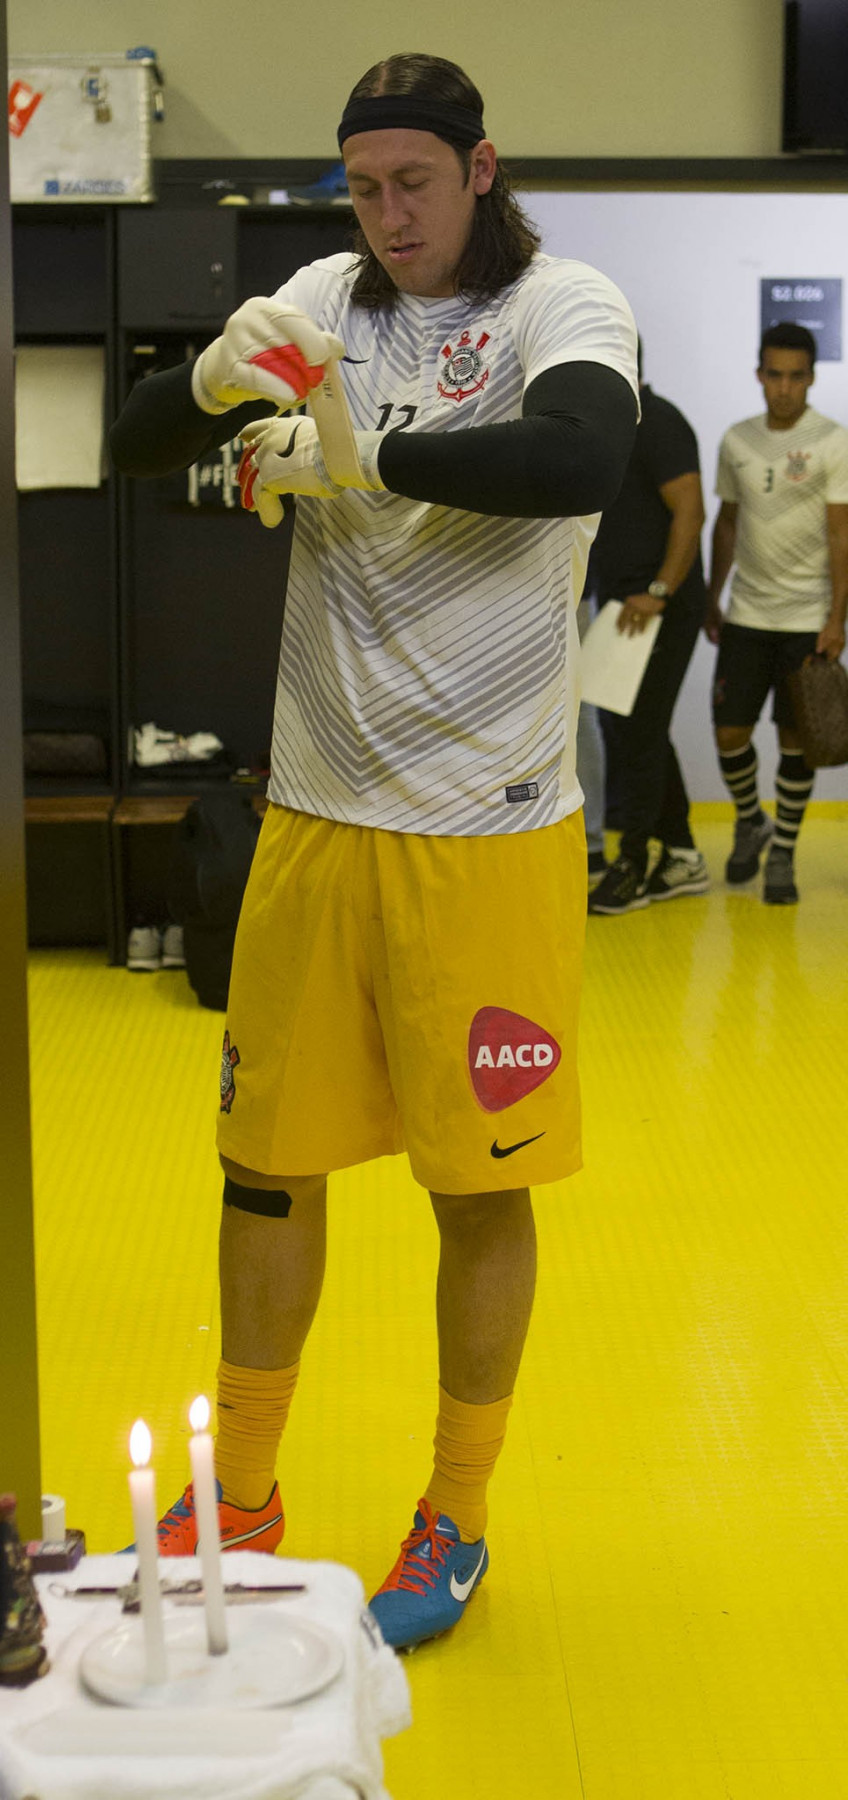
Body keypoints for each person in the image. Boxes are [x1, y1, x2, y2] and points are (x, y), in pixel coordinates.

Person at [110, 52, 637, 1652]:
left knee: (477, 1189)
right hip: (318, 816)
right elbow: (145, 432)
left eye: (414, 181)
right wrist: (220, 385)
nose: (386, 214)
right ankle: (247, 1488)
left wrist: (364, 458)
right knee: (264, 1167)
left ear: (483, 170)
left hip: (486, 829)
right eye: (362, 185)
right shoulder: (326, 294)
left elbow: (578, 458)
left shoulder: (565, 304)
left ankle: (454, 1514)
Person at [706, 322, 848, 903]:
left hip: (806, 620)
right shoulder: (736, 440)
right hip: (745, 614)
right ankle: (750, 820)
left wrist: (838, 618)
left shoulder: (833, 441)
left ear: (811, 378)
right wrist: (714, 594)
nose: (784, 388)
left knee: (797, 743)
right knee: (729, 733)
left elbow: (841, 534)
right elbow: (729, 522)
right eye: (774, 375)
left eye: (795, 376)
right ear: (760, 375)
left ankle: (783, 852)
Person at [586, 343, 710, 914]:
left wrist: (659, 591)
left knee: (637, 731)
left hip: (659, 606)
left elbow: (691, 511)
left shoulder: (658, 420)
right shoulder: (609, 425)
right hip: (622, 606)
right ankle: (681, 853)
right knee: (634, 730)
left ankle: (632, 861)